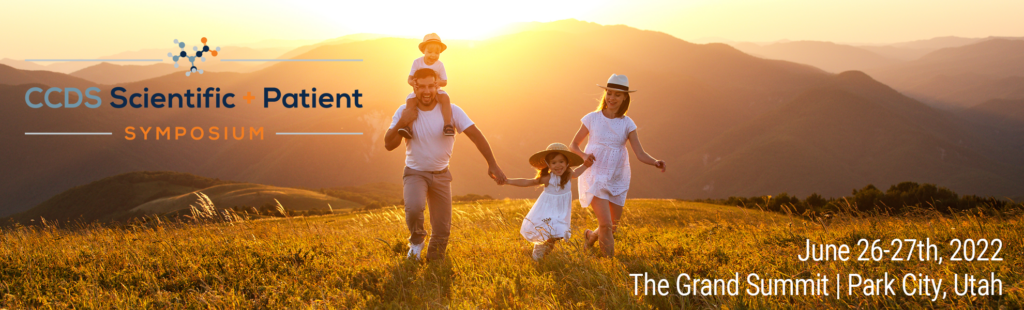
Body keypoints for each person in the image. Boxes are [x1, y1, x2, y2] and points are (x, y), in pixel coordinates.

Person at [384, 68, 507, 261]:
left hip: (442, 174)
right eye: (421, 86)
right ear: (414, 86)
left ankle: (434, 261)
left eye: (431, 86)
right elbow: (388, 145)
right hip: (415, 173)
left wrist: (492, 164)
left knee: (442, 228)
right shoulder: (404, 111)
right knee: (414, 209)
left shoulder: (451, 111)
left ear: (437, 86)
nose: (426, 91)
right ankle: (416, 242)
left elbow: (476, 135)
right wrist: (403, 121)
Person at [569, 74, 667, 258]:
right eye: (609, 93)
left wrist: (655, 162)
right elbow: (573, 145)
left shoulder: (627, 124)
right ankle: (609, 268)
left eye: (617, 94)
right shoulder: (592, 118)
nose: (612, 98)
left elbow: (639, 153)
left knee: (612, 227)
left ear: (624, 98)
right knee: (605, 225)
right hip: (594, 175)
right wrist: (584, 156)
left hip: (617, 177)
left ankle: (590, 236)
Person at [503, 143, 590, 261]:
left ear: (567, 163)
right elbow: (528, 182)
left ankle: (542, 253)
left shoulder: (569, 174)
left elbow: (577, 173)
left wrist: (586, 164)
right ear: (548, 165)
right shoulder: (548, 178)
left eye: (561, 162)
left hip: (561, 210)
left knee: (556, 235)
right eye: (554, 163)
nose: (558, 165)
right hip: (548, 209)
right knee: (550, 233)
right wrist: (507, 181)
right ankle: (538, 253)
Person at [398, 33, 455, 139]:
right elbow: (409, 78)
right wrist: (413, 83)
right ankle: (408, 128)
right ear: (423, 51)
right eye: (429, 52)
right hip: (419, 92)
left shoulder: (439, 65)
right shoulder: (417, 62)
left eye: (436, 53)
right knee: (410, 102)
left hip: (435, 91)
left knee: (445, 98)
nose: (433, 55)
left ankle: (448, 125)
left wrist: (438, 83)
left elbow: (445, 81)